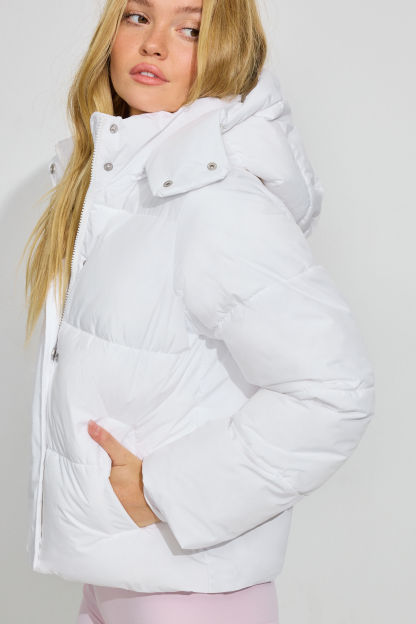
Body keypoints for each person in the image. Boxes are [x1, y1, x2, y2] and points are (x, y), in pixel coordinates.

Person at [22, 0, 375, 622]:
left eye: (190, 29)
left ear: (226, 51)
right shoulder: (110, 186)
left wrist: (162, 491)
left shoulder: (216, 202)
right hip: (116, 576)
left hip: (189, 590)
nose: (154, 44)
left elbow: (333, 393)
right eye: (138, 17)